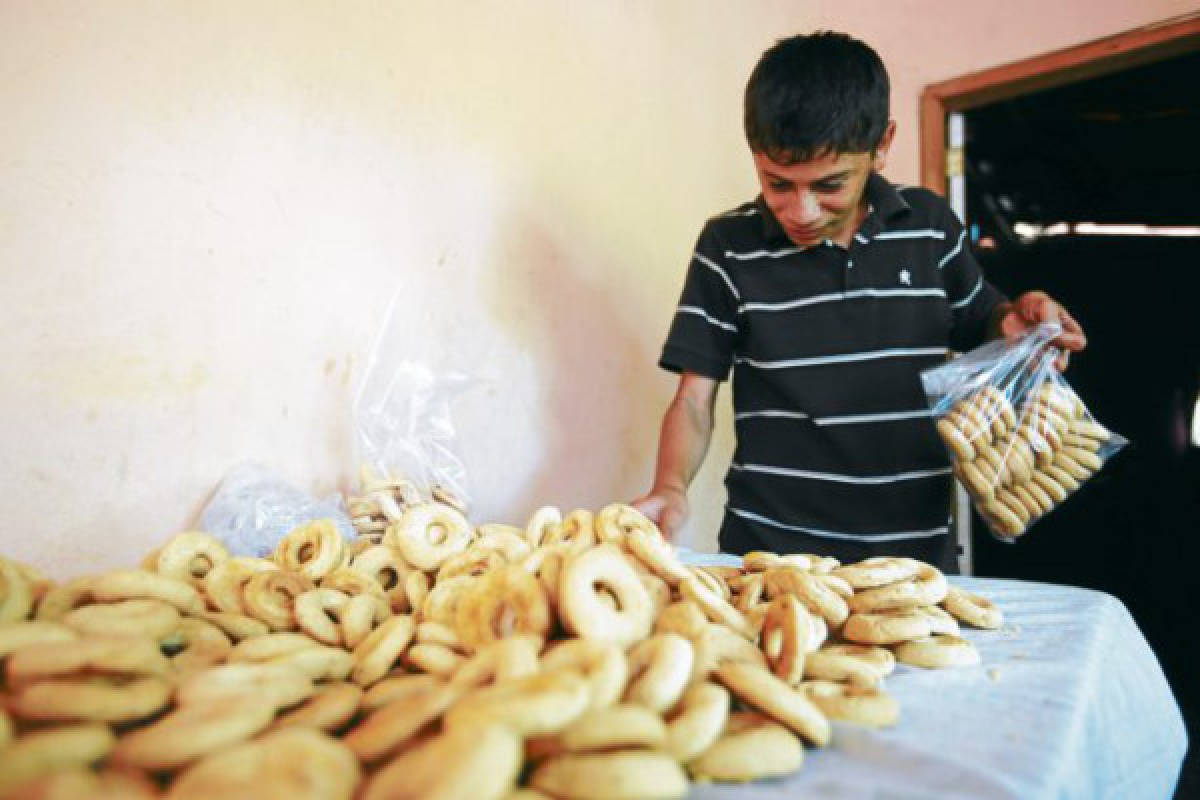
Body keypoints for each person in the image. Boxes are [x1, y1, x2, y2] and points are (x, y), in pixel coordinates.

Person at [632, 31, 1086, 571]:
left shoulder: (929, 228)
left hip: (913, 560)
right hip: (769, 558)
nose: (800, 210)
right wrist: (671, 486)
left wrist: (1022, 319)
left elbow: (988, 322)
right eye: (778, 184)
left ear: (882, 145)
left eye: (829, 185)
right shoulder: (726, 247)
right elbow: (692, 400)